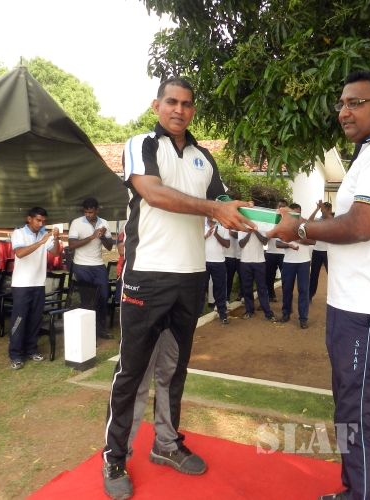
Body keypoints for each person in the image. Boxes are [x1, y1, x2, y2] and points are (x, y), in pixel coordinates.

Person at [268, 70, 370, 500]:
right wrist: (303, 230)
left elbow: (360, 225)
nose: (343, 111)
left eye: (355, 102)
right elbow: (349, 225)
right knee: (349, 405)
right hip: (350, 303)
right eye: (341, 103)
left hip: (369, 307)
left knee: (362, 411)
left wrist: (300, 228)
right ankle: (355, 490)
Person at [102, 77, 253, 500]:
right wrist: (213, 208)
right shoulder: (142, 145)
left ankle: (166, 444)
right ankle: (115, 456)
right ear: (157, 106)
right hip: (147, 276)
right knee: (133, 371)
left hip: (191, 276)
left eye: (187, 104)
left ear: (193, 110)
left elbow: (227, 205)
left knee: (173, 368)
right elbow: (153, 194)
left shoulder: (204, 157)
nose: (179, 110)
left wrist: (277, 220)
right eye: (171, 101)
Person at [8, 207, 60, 370]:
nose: (41, 224)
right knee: (19, 319)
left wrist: (56, 239)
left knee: (35, 318)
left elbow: (56, 253)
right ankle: (15, 355)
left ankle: (31, 350)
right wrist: (41, 242)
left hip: (39, 283)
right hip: (22, 284)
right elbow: (20, 253)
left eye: (43, 221)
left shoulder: (44, 235)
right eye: (38, 220)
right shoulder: (19, 233)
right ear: (29, 219)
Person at [67, 198, 114, 340]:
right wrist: (92, 237)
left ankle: (100, 329)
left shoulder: (104, 223)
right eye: (86, 212)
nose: (88, 215)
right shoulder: (77, 223)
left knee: (103, 296)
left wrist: (102, 236)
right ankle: (86, 330)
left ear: (97, 210)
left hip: (98, 265)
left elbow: (109, 247)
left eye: (91, 212)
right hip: (81, 265)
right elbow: (71, 245)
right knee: (86, 298)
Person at [277, 203, 315, 329]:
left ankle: (303, 318)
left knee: (303, 290)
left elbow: (313, 241)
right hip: (289, 262)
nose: (296, 215)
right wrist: (289, 244)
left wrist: (296, 239)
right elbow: (278, 244)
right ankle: (286, 313)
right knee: (287, 289)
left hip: (304, 262)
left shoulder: (306, 226)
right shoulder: (284, 225)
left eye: (298, 212)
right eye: (294, 212)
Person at [238, 228, 279, 322]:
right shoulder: (241, 229)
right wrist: (249, 233)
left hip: (259, 262)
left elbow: (264, 242)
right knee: (247, 288)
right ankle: (249, 311)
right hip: (245, 261)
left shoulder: (262, 228)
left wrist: (255, 231)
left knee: (262, 288)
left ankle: (268, 313)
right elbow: (241, 244)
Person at [200, 217, 231, 323]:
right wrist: (206, 236)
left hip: (219, 262)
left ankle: (222, 314)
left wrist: (216, 235)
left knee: (220, 289)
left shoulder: (223, 227)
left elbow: (227, 244)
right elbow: (195, 242)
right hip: (203, 261)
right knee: (201, 289)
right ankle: (197, 314)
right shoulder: (200, 224)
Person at [309, 200, 333, 303]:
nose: (324, 211)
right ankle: (310, 295)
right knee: (314, 275)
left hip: (329, 252)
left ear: (330, 210)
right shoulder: (318, 220)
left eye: (327, 210)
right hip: (317, 251)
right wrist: (317, 209)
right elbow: (309, 222)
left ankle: (333, 297)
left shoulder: (333, 221)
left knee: (331, 275)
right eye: (323, 209)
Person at [265, 199, 288, 302]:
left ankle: (286, 297)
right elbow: (266, 236)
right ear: (276, 207)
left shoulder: (288, 221)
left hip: (284, 253)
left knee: (286, 277)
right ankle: (271, 294)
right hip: (270, 252)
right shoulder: (271, 220)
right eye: (279, 206)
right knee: (269, 277)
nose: (281, 208)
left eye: (283, 207)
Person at [225, 229, 243, 302]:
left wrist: (232, 233)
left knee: (242, 277)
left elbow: (242, 236)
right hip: (229, 256)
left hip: (240, 256)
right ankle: (227, 297)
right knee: (228, 278)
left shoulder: (239, 227)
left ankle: (242, 295)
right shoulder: (223, 227)